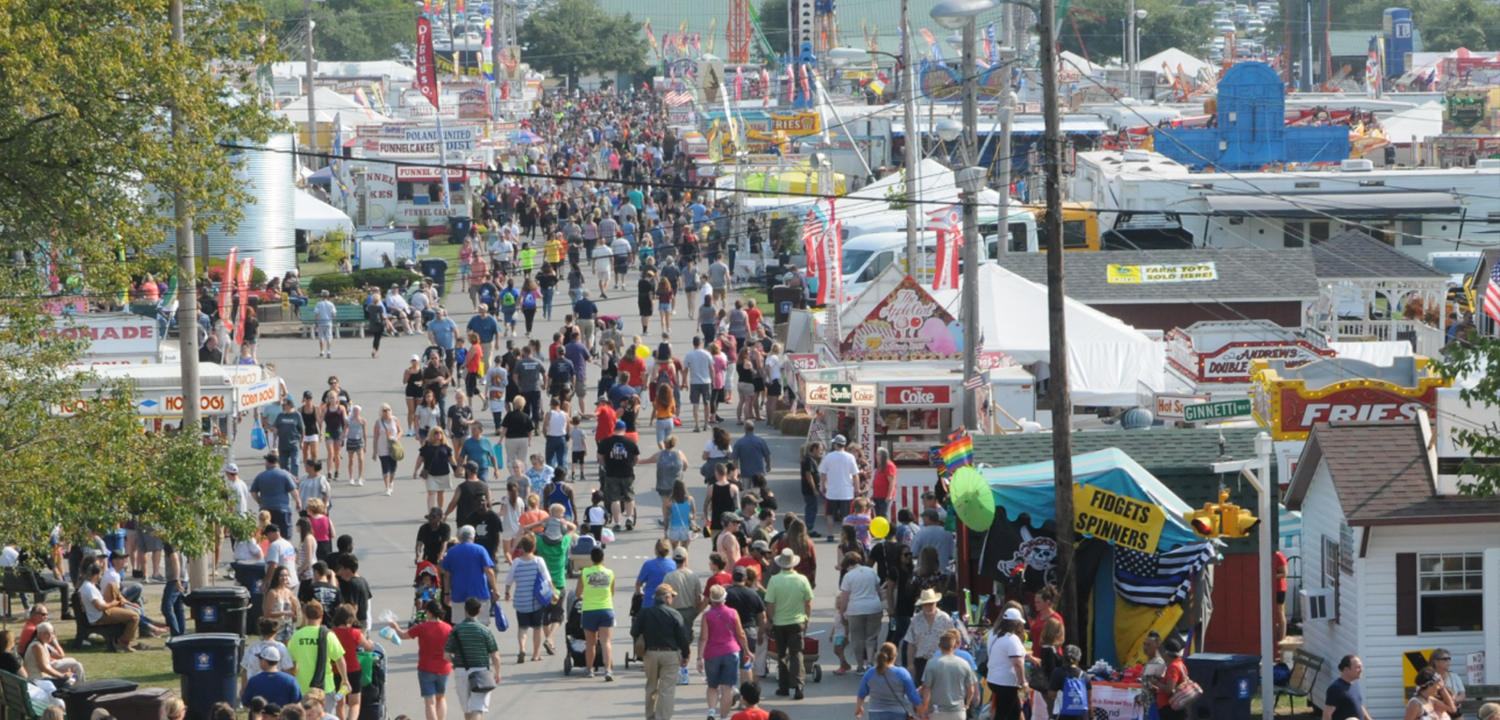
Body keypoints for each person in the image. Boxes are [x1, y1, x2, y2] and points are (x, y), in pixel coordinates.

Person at [631, 584, 691, 720]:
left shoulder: (645, 612)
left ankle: (650, 716)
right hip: (670, 654)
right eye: (672, 596)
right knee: (667, 689)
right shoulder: (675, 614)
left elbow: (633, 631)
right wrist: (685, 655)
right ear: (667, 598)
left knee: (651, 687)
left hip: (650, 653)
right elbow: (682, 637)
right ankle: (662, 717)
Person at [386, 600, 452, 720]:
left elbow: (402, 635)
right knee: (441, 698)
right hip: (444, 668)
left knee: (429, 702)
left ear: (429, 612)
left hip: (426, 667)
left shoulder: (422, 627)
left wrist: (395, 626)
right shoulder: (448, 628)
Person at [764, 548, 814, 699]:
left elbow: (770, 604)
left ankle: (784, 686)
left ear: (780, 564)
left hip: (779, 623)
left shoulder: (774, 580)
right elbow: (808, 602)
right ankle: (798, 685)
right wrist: (807, 618)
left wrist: (770, 620)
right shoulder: (802, 579)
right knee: (796, 653)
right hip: (797, 621)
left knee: (782, 654)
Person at [444, 598, 501, 720]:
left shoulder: (456, 630)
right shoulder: (485, 630)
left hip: (461, 671)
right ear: (479, 611)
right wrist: (497, 673)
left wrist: (457, 662)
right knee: (478, 709)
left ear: (465, 611)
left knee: (467, 710)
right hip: (481, 673)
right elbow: (495, 655)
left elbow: (446, 655)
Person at [697, 585, 748, 720]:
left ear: (711, 600)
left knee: (712, 685)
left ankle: (712, 711)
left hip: (712, 653)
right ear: (724, 598)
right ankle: (724, 717)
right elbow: (741, 633)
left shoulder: (707, 615)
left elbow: (703, 638)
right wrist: (747, 650)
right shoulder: (733, 612)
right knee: (727, 687)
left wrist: (699, 658)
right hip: (731, 652)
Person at [503, 534, 550, 663]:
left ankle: (522, 648)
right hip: (536, 601)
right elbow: (547, 578)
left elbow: (509, 580)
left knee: (522, 627)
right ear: (534, 547)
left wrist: (507, 592)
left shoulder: (516, 562)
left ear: (522, 548)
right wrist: (553, 592)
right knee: (537, 627)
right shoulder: (538, 561)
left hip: (521, 601)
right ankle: (535, 654)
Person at [286, 601, 347, 697]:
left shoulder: (296, 636)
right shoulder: (328, 635)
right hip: (325, 687)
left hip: (303, 688)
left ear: (305, 614)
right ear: (322, 615)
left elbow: (291, 664)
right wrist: (345, 679)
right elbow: (339, 659)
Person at [442, 526, 500, 625]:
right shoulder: (480, 550)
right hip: (480, 594)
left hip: (459, 595)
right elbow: (489, 571)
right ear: (473, 537)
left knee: (460, 625)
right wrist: (495, 590)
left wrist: (447, 594)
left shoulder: (452, 551)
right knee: (482, 625)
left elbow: (447, 575)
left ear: (460, 537)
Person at [575, 545, 617, 681]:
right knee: (606, 642)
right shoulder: (610, 573)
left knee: (591, 643)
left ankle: (589, 669)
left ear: (591, 559)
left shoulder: (585, 572)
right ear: (603, 558)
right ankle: (608, 670)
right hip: (606, 609)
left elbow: (577, 593)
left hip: (589, 610)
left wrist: (586, 597)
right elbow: (612, 593)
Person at [839, 551, 884, 674]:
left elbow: (845, 598)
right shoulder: (870, 571)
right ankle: (870, 662)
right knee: (871, 636)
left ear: (848, 564)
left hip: (856, 609)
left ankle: (860, 666)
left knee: (857, 638)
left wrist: (842, 613)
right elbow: (878, 590)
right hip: (873, 607)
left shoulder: (848, 576)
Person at [77, 562, 140, 652]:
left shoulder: (88, 585)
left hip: (102, 611)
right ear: (95, 575)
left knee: (112, 586)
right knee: (135, 616)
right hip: (101, 615)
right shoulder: (89, 588)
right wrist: (113, 604)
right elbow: (99, 607)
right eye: (100, 574)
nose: (101, 576)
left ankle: (124, 606)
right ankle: (124, 642)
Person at [856, 642, 924, 720]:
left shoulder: (870, 672)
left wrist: (859, 707)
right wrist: (922, 713)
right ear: (895, 656)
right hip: (898, 713)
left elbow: (861, 693)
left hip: (876, 712)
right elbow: (913, 695)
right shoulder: (902, 673)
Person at [923, 630, 980, 720]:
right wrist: (967, 704)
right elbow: (970, 689)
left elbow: (926, 689)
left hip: (936, 711)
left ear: (939, 646)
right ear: (955, 646)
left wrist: (924, 708)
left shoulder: (931, 663)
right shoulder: (964, 663)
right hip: (958, 711)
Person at [597, 420, 641, 532]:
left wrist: (606, 465)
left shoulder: (605, 442)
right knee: (629, 496)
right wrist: (631, 465)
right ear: (625, 430)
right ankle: (629, 519)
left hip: (611, 473)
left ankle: (617, 523)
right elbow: (637, 458)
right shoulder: (630, 442)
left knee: (614, 499)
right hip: (627, 473)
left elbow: (600, 457)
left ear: (614, 429)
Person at [984, 607, 1027, 720]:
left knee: (1015, 712)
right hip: (1006, 683)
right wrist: (1023, 682)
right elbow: (1017, 663)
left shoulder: (993, 634)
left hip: (993, 679)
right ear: (1017, 623)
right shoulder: (1012, 639)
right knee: (1003, 715)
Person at [253, 452, 302, 538]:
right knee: (284, 535)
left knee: (267, 536)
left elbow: (253, 492)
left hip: (266, 511)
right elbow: (293, 490)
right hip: (282, 510)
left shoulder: (260, 476)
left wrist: (259, 501)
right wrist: (298, 501)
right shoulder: (284, 474)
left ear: (268, 463)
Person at [819, 436, 858, 540]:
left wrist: (824, 485)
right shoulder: (850, 457)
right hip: (846, 491)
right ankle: (844, 536)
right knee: (845, 515)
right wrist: (857, 488)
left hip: (832, 491)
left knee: (830, 515)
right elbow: (855, 475)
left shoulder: (829, 457)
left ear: (836, 444)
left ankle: (830, 534)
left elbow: (823, 473)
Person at [23, 622, 81, 690]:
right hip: (36, 680)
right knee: (68, 682)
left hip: (42, 677)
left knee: (72, 676)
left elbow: (60, 655)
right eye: (46, 633)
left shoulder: (43, 644)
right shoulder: (37, 646)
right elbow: (44, 668)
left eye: (52, 633)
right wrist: (61, 675)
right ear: (39, 634)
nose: (50, 636)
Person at [1151, 638, 1192, 720]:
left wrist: (1156, 682)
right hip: (1178, 707)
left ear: (1167, 653)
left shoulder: (1173, 666)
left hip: (1171, 709)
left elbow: (1169, 689)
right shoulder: (1180, 664)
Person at [1047, 644, 1090, 720]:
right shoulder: (1085, 675)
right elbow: (1089, 701)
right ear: (1078, 658)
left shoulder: (1057, 672)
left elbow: (1051, 694)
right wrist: (1091, 717)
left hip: (1062, 715)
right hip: (1081, 716)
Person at [1323, 655, 1373, 720]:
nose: (1361, 670)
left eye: (1361, 667)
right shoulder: (1336, 688)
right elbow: (1327, 714)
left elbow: (1359, 705)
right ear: (1346, 669)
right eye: (1358, 667)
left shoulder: (1354, 684)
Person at [1430, 650, 1467, 719]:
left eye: (1449, 659)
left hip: (1453, 711)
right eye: (1444, 659)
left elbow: (1462, 694)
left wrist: (1452, 701)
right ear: (1435, 662)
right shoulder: (1428, 677)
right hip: (1436, 711)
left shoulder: (1454, 676)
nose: (1448, 661)